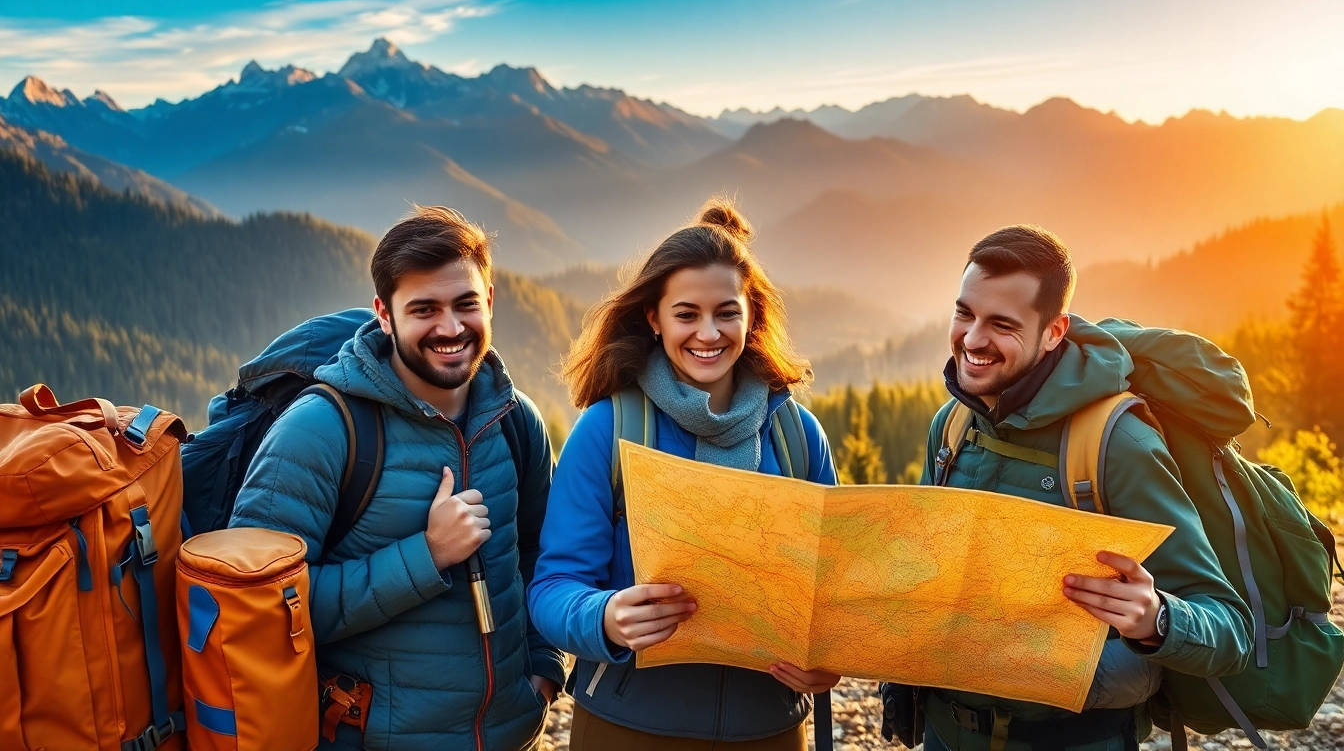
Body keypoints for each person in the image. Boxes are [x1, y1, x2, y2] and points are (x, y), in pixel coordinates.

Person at [230, 206, 564, 751]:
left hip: (506, 736)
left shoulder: (514, 420)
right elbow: (260, 606)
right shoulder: (321, 430)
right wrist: (426, 556)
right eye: (424, 309)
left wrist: (545, 671)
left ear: (490, 301)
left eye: (465, 304)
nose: (450, 328)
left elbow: (544, 553)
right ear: (384, 315)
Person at [909, 225, 1251, 751]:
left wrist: (1157, 618)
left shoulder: (1117, 445)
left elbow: (1231, 631)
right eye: (964, 313)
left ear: (1054, 332)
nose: (972, 339)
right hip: (946, 733)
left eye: (1001, 324)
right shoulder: (953, 426)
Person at [527, 199, 840, 750]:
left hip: (768, 728)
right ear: (654, 318)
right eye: (686, 314)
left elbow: (836, 593)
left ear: (751, 315)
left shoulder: (798, 436)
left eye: (726, 313)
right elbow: (553, 587)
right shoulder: (608, 430)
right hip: (628, 728)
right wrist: (605, 618)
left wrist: (829, 659)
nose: (708, 333)